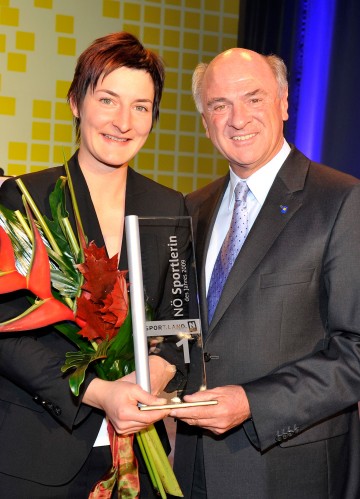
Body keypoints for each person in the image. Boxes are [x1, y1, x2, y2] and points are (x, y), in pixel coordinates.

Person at [0, 32, 186, 497]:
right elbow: (6, 326)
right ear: (75, 103)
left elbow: (182, 321)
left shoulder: (169, 207)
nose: (124, 122)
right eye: (108, 100)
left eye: (141, 106)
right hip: (37, 452)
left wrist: (160, 369)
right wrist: (101, 392)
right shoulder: (24, 199)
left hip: (140, 457)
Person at [169, 48, 360, 499]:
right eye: (219, 105)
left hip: (289, 471)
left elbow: (355, 350)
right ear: (204, 120)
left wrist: (254, 403)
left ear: (284, 102)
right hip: (191, 468)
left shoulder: (342, 201)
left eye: (254, 98)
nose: (238, 119)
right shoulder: (191, 209)